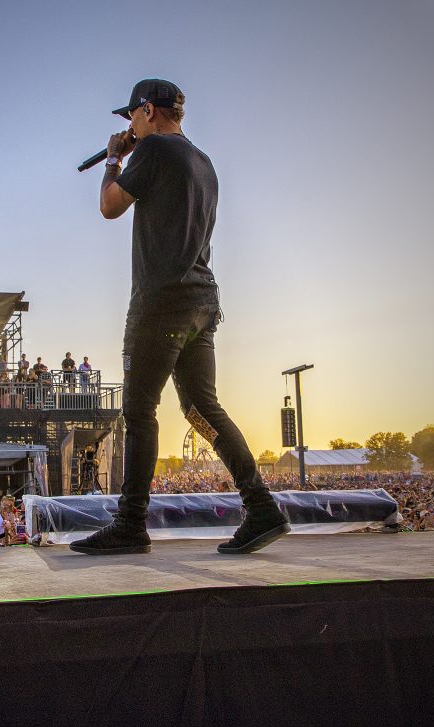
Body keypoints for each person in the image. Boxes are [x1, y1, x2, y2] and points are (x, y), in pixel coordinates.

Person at [71, 79, 288, 556]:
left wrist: (113, 158)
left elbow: (109, 207)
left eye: (131, 117)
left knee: (139, 411)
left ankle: (130, 524)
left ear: (147, 111)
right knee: (201, 409)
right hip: (201, 303)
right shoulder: (203, 161)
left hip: (160, 305)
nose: (128, 126)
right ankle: (262, 506)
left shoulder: (154, 152)